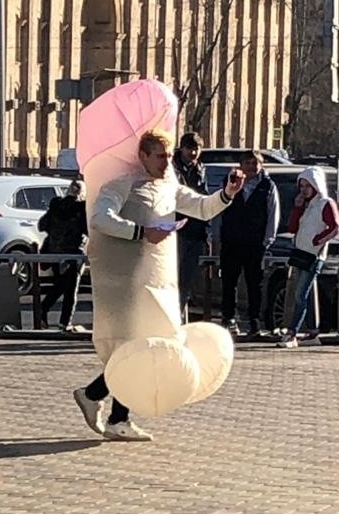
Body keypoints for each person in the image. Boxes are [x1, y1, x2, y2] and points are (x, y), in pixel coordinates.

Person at [74, 130, 243, 442]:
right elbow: (100, 218)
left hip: (159, 280)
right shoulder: (122, 184)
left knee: (146, 345)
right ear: (142, 157)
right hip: (127, 281)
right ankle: (113, 414)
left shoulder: (169, 186)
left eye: (168, 156)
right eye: (160, 156)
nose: (167, 162)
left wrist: (227, 194)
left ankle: (96, 397)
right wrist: (140, 232)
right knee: (135, 346)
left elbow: (202, 208)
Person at [213, 149, 280, 337]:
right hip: (231, 240)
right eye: (247, 163)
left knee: (254, 284)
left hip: (255, 242)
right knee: (229, 282)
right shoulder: (230, 182)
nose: (251, 167)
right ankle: (229, 319)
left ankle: (254, 323)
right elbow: (219, 209)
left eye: (255, 163)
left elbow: (273, 212)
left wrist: (267, 239)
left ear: (261, 166)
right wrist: (216, 235)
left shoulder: (268, 186)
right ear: (240, 166)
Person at [277, 166, 339, 348]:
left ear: (316, 185)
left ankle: (292, 333)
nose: (304, 190)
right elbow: (292, 228)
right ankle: (313, 331)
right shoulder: (305, 206)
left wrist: (317, 240)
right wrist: (297, 208)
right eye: (301, 186)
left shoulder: (326, 203)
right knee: (305, 294)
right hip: (300, 253)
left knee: (300, 294)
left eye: (307, 185)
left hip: (314, 256)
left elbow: (335, 227)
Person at [38, 179, 87, 332]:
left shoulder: (56, 205)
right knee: (71, 289)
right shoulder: (81, 208)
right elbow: (87, 230)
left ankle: (42, 310)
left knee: (61, 285)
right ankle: (65, 322)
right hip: (73, 253)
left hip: (54, 251)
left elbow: (42, 225)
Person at [170, 131, 209, 319]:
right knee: (171, 278)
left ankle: (178, 317)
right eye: (190, 149)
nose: (193, 153)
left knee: (186, 280)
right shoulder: (172, 168)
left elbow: (204, 199)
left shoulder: (201, 169)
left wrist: (206, 230)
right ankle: (169, 316)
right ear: (182, 148)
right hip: (175, 229)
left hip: (195, 230)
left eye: (197, 149)